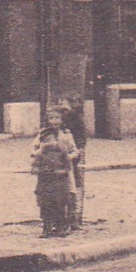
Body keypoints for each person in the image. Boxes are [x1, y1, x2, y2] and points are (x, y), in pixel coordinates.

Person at [29, 110, 80, 237]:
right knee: (46, 202)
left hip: (62, 174)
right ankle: (48, 226)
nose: (55, 121)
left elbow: (75, 151)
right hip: (46, 177)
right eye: (51, 118)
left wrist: (67, 158)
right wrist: (39, 153)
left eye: (57, 118)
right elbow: (34, 152)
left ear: (62, 120)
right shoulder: (42, 135)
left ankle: (67, 223)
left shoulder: (66, 135)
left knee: (64, 198)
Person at [58, 96, 88, 229]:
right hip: (56, 160)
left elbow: (81, 138)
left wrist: (77, 153)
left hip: (71, 159)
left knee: (74, 187)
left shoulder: (76, 121)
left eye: (65, 108)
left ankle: (73, 218)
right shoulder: (55, 122)